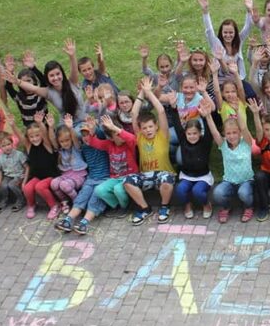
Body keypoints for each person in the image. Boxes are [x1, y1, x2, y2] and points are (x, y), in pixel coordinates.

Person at [124, 77, 176, 225]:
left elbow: (160, 111)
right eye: (144, 128)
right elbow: (134, 114)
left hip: (163, 174)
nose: (148, 130)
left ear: (156, 127)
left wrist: (149, 92)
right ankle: (144, 208)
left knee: (167, 180)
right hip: (145, 176)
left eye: (150, 127)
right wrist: (141, 92)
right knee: (128, 182)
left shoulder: (162, 135)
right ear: (140, 130)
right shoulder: (139, 137)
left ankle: (164, 207)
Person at [4, 40, 86, 125]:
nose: (55, 78)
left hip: (83, 122)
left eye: (58, 74)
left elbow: (74, 70)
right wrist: (17, 81)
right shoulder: (48, 92)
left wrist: (72, 56)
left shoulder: (72, 82)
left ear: (62, 73)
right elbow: (33, 88)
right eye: (51, 75)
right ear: (47, 78)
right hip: (66, 125)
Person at [54, 116, 111, 234]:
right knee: (82, 197)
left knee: (95, 199)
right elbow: (75, 139)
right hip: (91, 179)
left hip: (104, 179)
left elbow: (100, 134)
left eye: (88, 134)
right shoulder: (83, 148)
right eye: (83, 135)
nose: (86, 137)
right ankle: (68, 220)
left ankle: (84, 223)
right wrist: (70, 128)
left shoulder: (101, 144)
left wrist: (94, 128)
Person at [206, 98, 255, 223]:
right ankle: (227, 207)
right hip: (229, 181)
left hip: (246, 181)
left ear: (240, 134)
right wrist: (207, 116)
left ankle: (248, 207)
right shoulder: (223, 145)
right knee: (217, 193)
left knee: (244, 193)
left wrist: (238, 111)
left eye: (234, 133)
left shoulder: (246, 143)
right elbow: (214, 132)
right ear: (225, 134)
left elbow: (244, 127)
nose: (232, 136)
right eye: (228, 133)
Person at [173, 100, 215, 220]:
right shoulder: (183, 140)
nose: (192, 136)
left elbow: (209, 131)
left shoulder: (205, 142)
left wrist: (205, 116)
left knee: (197, 191)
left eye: (195, 133)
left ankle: (206, 205)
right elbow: (177, 125)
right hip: (186, 175)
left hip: (203, 176)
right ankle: (187, 205)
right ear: (185, 134)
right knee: (180, 190)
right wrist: (173, 107)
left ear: (200, 133)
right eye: (189, 134)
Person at [91, 115, 140, 217]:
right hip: (116, 178)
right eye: (117, 134)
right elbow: (95, 143)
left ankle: (125, 207)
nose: (120, 135)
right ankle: (117, 206)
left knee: (118, 189)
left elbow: (132, 139)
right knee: (99, 190)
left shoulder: (128, 144)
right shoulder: (109, 144)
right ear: (111, 138)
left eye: (120, 132)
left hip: (130, 177)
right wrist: (92, 131)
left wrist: (115, 128)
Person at [198, 0, 254, 79]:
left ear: (235, 33)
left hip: (237, 78)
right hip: (221, 80)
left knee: (251, 92)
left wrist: (249, 10)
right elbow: (209, 30)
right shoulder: (216, 43)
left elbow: (248, 27)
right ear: (221, 32)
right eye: (225, 32)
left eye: (231, 32)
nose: (228, 35)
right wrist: (205, 11)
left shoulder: (238, 41)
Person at [48, 114, 88, 217]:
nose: (65, 143)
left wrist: (70, 128)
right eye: (62, 141)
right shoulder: (61, 150)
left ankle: (78, 204)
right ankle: (64, 202)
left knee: (64, 185)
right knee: (54, 183)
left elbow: (74, 138)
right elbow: (53, 139)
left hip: (79, 175)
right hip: (66, 175)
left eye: (67, 140)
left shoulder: (76, 147)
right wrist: (51, 127)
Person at [22, 111, 60, 219]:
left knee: (40, 187)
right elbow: (21, 138)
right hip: (37, 176)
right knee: (27, 188)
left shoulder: (47, 145)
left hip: (51, 175)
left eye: (37, 135)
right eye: (31, 137)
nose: (35, 138)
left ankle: (54, 206)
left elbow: (44, 134)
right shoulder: (29, 147)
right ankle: (31, 205)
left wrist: (40, 124)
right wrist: (13, 125)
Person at [0, 51, 48, 128]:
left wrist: (33, 67)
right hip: (30, 133)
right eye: (23, 82)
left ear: (34, 81)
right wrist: (10, 72)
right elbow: (9, 88)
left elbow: (43, 81)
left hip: (45, 128)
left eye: (29, 81)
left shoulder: (40, 93)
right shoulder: (19, 97)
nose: (27, 84)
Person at [0, 124, 27, 212]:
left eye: (8, 144)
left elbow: (26, 166)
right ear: (0, 147)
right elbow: (0, 170)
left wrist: (24, 177)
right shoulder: (0, 158)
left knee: (11, 185)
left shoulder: (18, 154)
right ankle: (4, 200)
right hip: (8, 176)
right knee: (3, 186)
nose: (7, 147)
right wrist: (0, 181)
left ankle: (21, 199)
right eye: (3, 146)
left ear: (12, 143)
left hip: (18, 175)